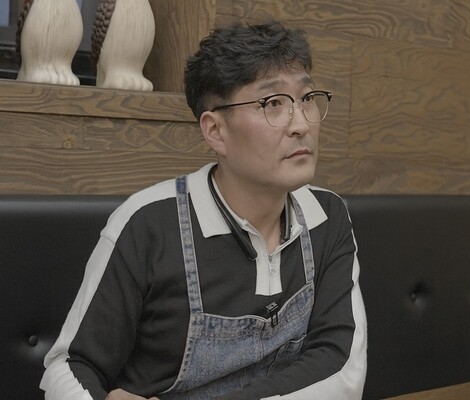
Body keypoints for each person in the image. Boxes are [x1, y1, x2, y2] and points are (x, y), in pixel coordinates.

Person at [40, 20, 367, 399]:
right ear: (215, 131)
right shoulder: (148, 224)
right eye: (273, 103)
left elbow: (340, 368)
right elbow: (71, 369)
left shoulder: (326, 215)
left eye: (307, 98)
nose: (301, 124)